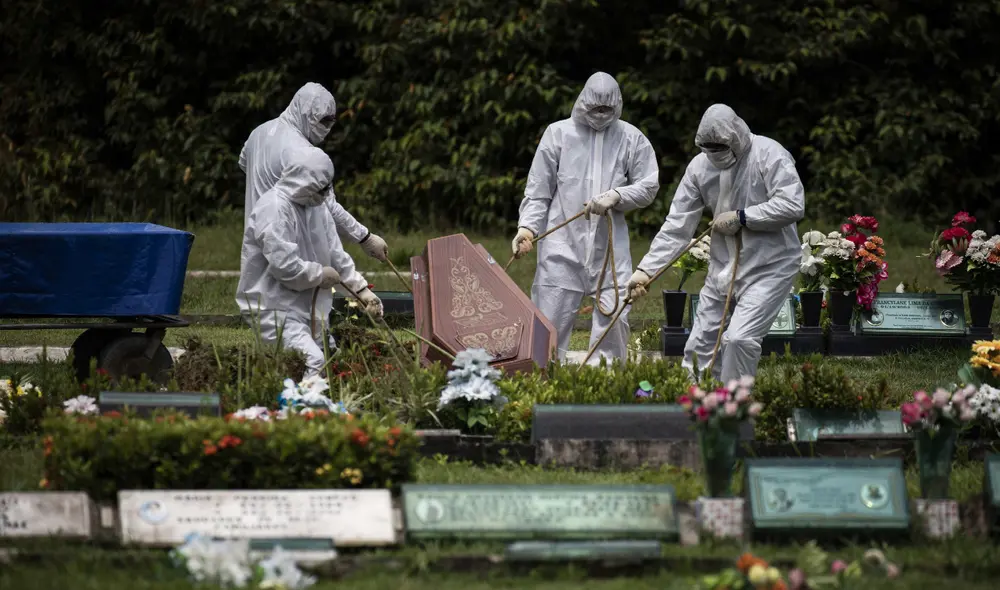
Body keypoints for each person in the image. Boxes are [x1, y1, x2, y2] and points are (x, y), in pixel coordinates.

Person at [627, 104, 805, 384]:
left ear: (736, 137)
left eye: (719, 146)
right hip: (722, 268)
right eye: (708, 148)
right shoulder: (699, 167)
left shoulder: (769, 154)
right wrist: (646, 271)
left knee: (738, 339)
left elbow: (793, 204)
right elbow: (678, 225)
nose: (714, 153)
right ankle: (690, 406)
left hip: (769, 267)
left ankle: (733, 407)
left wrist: (743, 217)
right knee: (699, 345)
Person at [512, 72, 659, 363]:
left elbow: (649, 186)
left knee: (614, 318)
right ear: (583, 104)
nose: (601, 115)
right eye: (595, 109)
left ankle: (606, 385)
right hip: (561, 245)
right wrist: (527, 228)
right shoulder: (558, 134)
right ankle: (543, 382)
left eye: (607, 110)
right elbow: (538, 189)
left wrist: (617, 195)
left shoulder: (631, 138)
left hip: (610, 249)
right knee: (549, 323)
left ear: (617, 106)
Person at [237, 82, 389, 318]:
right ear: (305, 113)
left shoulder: (258, 132)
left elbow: (244, 164)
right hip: (290, 237)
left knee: (267, 312)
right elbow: (327, 205)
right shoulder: (301, 152)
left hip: (259, 236)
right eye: (323, 122)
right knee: (297, 315)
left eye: (331, 122)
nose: (327, 129)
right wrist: (365, 237)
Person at [237, 147, 383, 377]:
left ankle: (323, 409)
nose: (326, 194)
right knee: (314, 363)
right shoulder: (273, 209)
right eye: (322, 188)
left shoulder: (316, 204)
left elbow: (336, 254)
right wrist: (319, 274)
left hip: (309, 306)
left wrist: (361, 291)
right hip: (275, 307)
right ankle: (302, 412)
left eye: (328, 188)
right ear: (304, 182)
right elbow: (284, 266)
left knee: (333, 362)